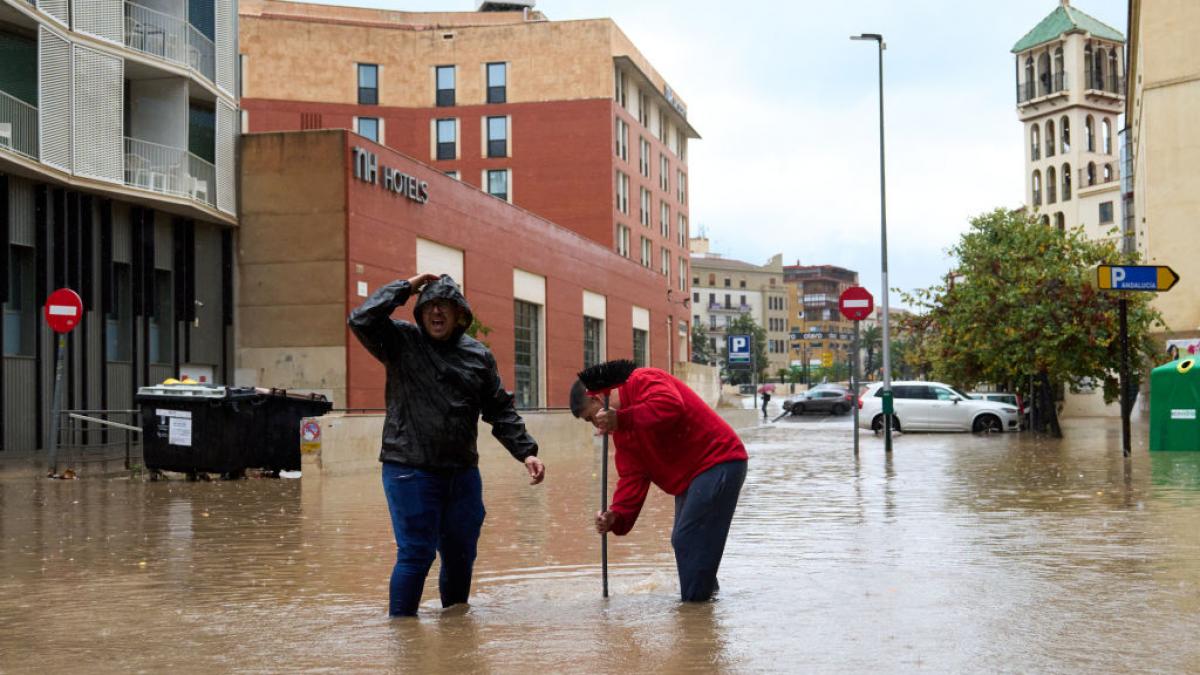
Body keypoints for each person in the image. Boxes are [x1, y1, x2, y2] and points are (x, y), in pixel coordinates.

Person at [348, 273, 546, 617]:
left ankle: (455, 631)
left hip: (461, 474)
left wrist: (526, 451)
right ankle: (404, 637)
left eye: (445, 306)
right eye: (430, 306)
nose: (437, 312)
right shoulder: (401, 342)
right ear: (420, 312)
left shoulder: (478, 355)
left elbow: (499, 408)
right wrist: (407, 287)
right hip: (409, 468)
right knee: (416, 553)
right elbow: (361, 318)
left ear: (460, 315)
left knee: (460, 552)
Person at [569, 360, 747, 602]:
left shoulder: (642, 379)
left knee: (686, 537)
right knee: (690, 542)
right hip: (692, 477)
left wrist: (623, 419)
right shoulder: (622, 433)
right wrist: (616, 516)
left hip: (719, 461)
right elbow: (633, 477)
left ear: (599, 399)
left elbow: (670, 405)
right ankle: (704, 611)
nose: (597, 429)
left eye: (591, 419)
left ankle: (694, 614)